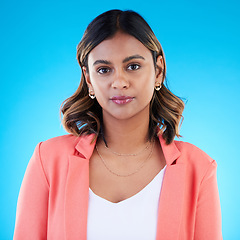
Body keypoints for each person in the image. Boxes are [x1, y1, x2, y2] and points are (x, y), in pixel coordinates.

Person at [13, 9, 222, 240]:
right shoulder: (47, 161)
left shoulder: (200, 169)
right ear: (89, 79)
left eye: (133, 66)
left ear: (158, 71)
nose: (119, 82)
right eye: (104, 70)